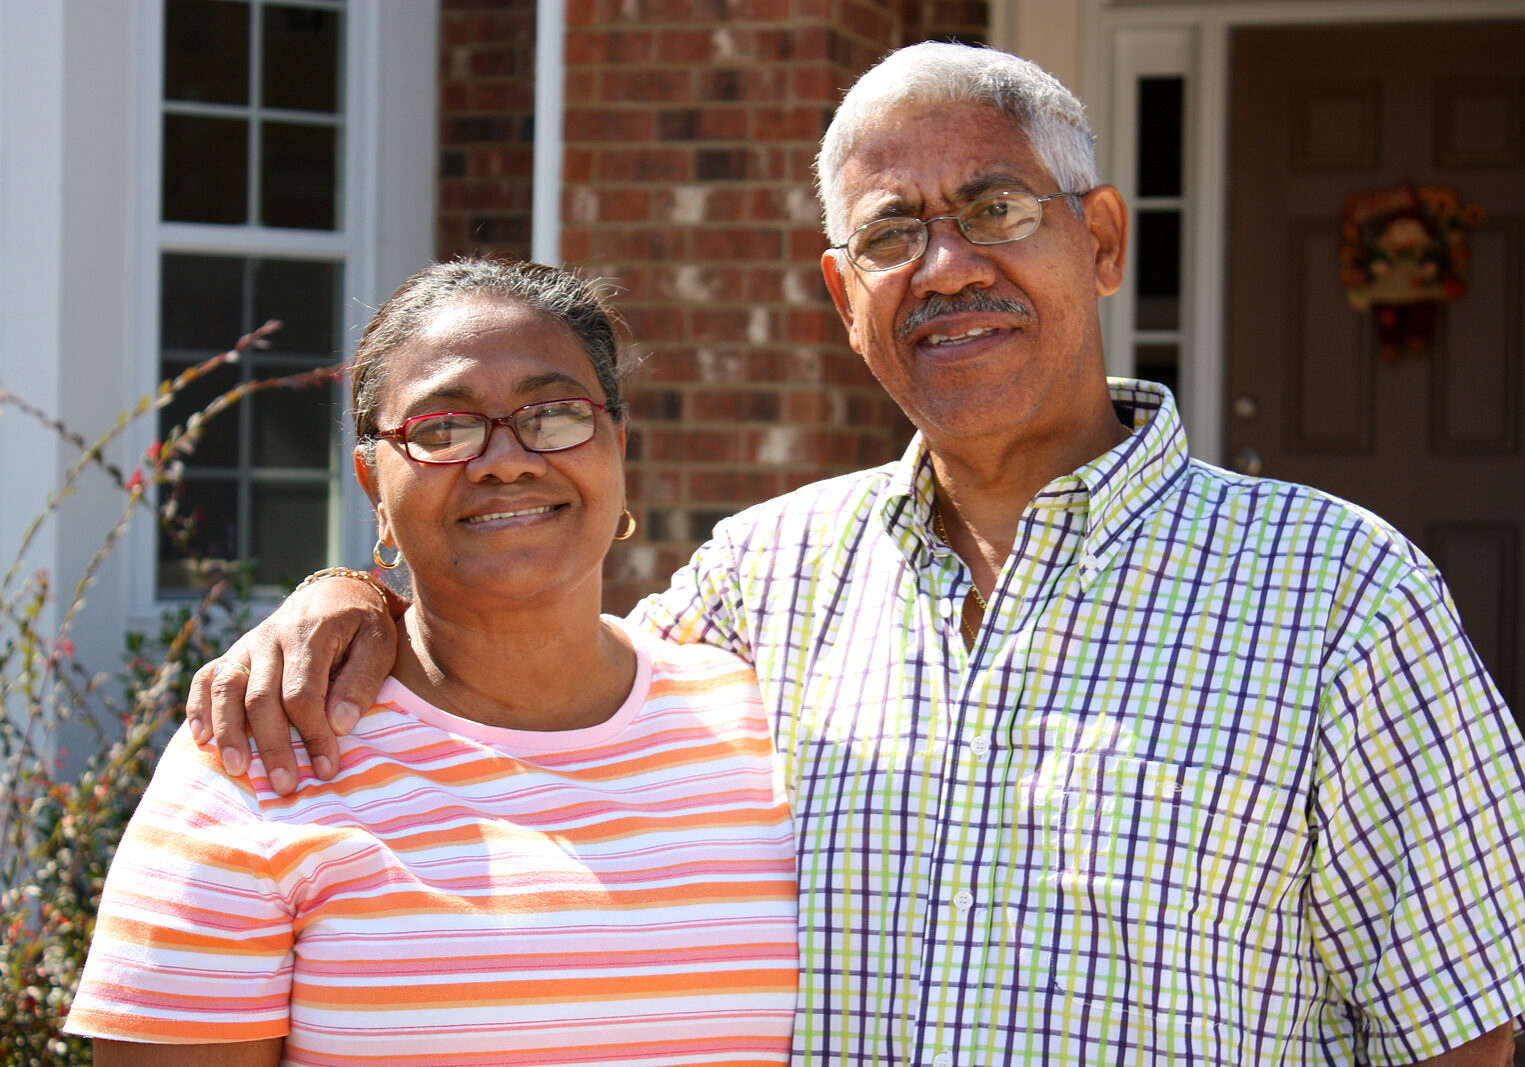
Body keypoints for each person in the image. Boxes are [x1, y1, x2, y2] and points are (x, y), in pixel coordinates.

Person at [188, 43, 1525, 1066]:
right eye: (891, 234)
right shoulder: (764, 577)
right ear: (843, 296)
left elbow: (1462, 1025)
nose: (944, 266)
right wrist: (352, 585)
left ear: (1100, 239)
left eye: (994, 208)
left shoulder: (1341, 593)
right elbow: (530, 677)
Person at [65, 259, 798, 1065]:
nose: (506, 459)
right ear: (372, 482)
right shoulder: (259, 753)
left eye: (553, 414)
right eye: (441, 429)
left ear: (617, 447)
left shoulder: (761, 727)